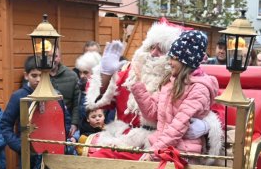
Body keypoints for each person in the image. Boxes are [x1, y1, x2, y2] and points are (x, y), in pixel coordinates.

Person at [85, 19, 224, 160]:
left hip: (165, 146)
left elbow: (217, 113)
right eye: (151, 47)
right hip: (125, 138)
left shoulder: (193, 81)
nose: (153, 54)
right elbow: (96, 103)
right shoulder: (131, 73)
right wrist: (105, 75)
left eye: (161, 50)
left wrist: (206, 126)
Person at [129, 30, 218, 160]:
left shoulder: (199, 89)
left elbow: (177, 128)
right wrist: (138, 85)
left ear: (186, 61)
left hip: (182, 154)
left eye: (174, 58)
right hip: (163, 148)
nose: (169, 62)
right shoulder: (170, 81)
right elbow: (151, 113)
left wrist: (152, 153)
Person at [49, 48, 81, 138]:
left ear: (60, 57)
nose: (51, 60)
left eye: (55, 56)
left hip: (66, 125)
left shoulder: (72, 76)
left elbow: (77, 103)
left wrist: (74, 123)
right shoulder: (38, 76)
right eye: (48, 56)